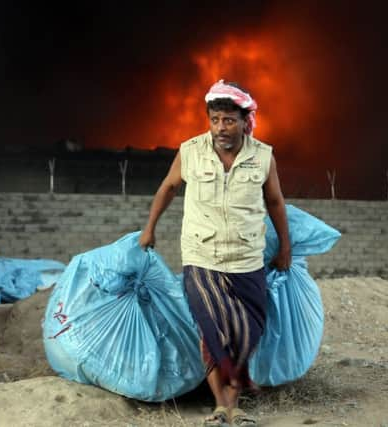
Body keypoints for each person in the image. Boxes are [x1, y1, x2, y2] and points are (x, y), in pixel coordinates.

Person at [139, 79, 291, 426]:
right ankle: (223, 406)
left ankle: (233, 405)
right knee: (213, 331)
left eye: (229, 120)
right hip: (202, 257)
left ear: (244, 120)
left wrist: (285, 246)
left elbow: (275, 202)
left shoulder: (263, 156)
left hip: (247, 259)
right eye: (215, 120)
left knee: (245, 333)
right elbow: (168, 187)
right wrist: (150, 228)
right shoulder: (190, 151)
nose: (221, 127)